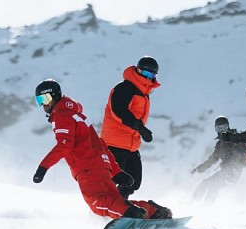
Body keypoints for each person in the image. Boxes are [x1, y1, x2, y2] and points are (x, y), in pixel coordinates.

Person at [31, 79, 172, 220]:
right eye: (39, 100)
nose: (43, 105)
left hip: (86, 167)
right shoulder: (78, 116)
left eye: (45, 99)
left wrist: (43, 167)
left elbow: (64, 145)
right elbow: (100, 145)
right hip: (102, 166)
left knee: (97, 203)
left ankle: (132, 213)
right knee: (114, 199)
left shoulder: (61, 115)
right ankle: (154, 211)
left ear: (55, 96)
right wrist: (116, 172)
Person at [100, 56, 160, 198]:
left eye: (152, 75)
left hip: (131, 145)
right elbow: (118, 110)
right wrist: (139, 127)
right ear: (138, 70)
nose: (149, 78)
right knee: (112, 180)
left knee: (133, 182)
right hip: (114, 143)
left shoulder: (144, 93)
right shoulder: (124, 88)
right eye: (146, 73)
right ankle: (106, 205)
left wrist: (140, 131)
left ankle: (121, 204)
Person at [191, 116, 246, 204]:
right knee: (208, 184)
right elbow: (213, 158)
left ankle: (203, 205)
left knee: (211, 185)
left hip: (233, 171)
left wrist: (233, 169)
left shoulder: (236, 139)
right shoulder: (220, 143)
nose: (221, 130)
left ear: (228, 126)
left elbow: (241, 157)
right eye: (219, 128)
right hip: (225, 170)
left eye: (224, 127)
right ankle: (198, 204)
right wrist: (200, 168)